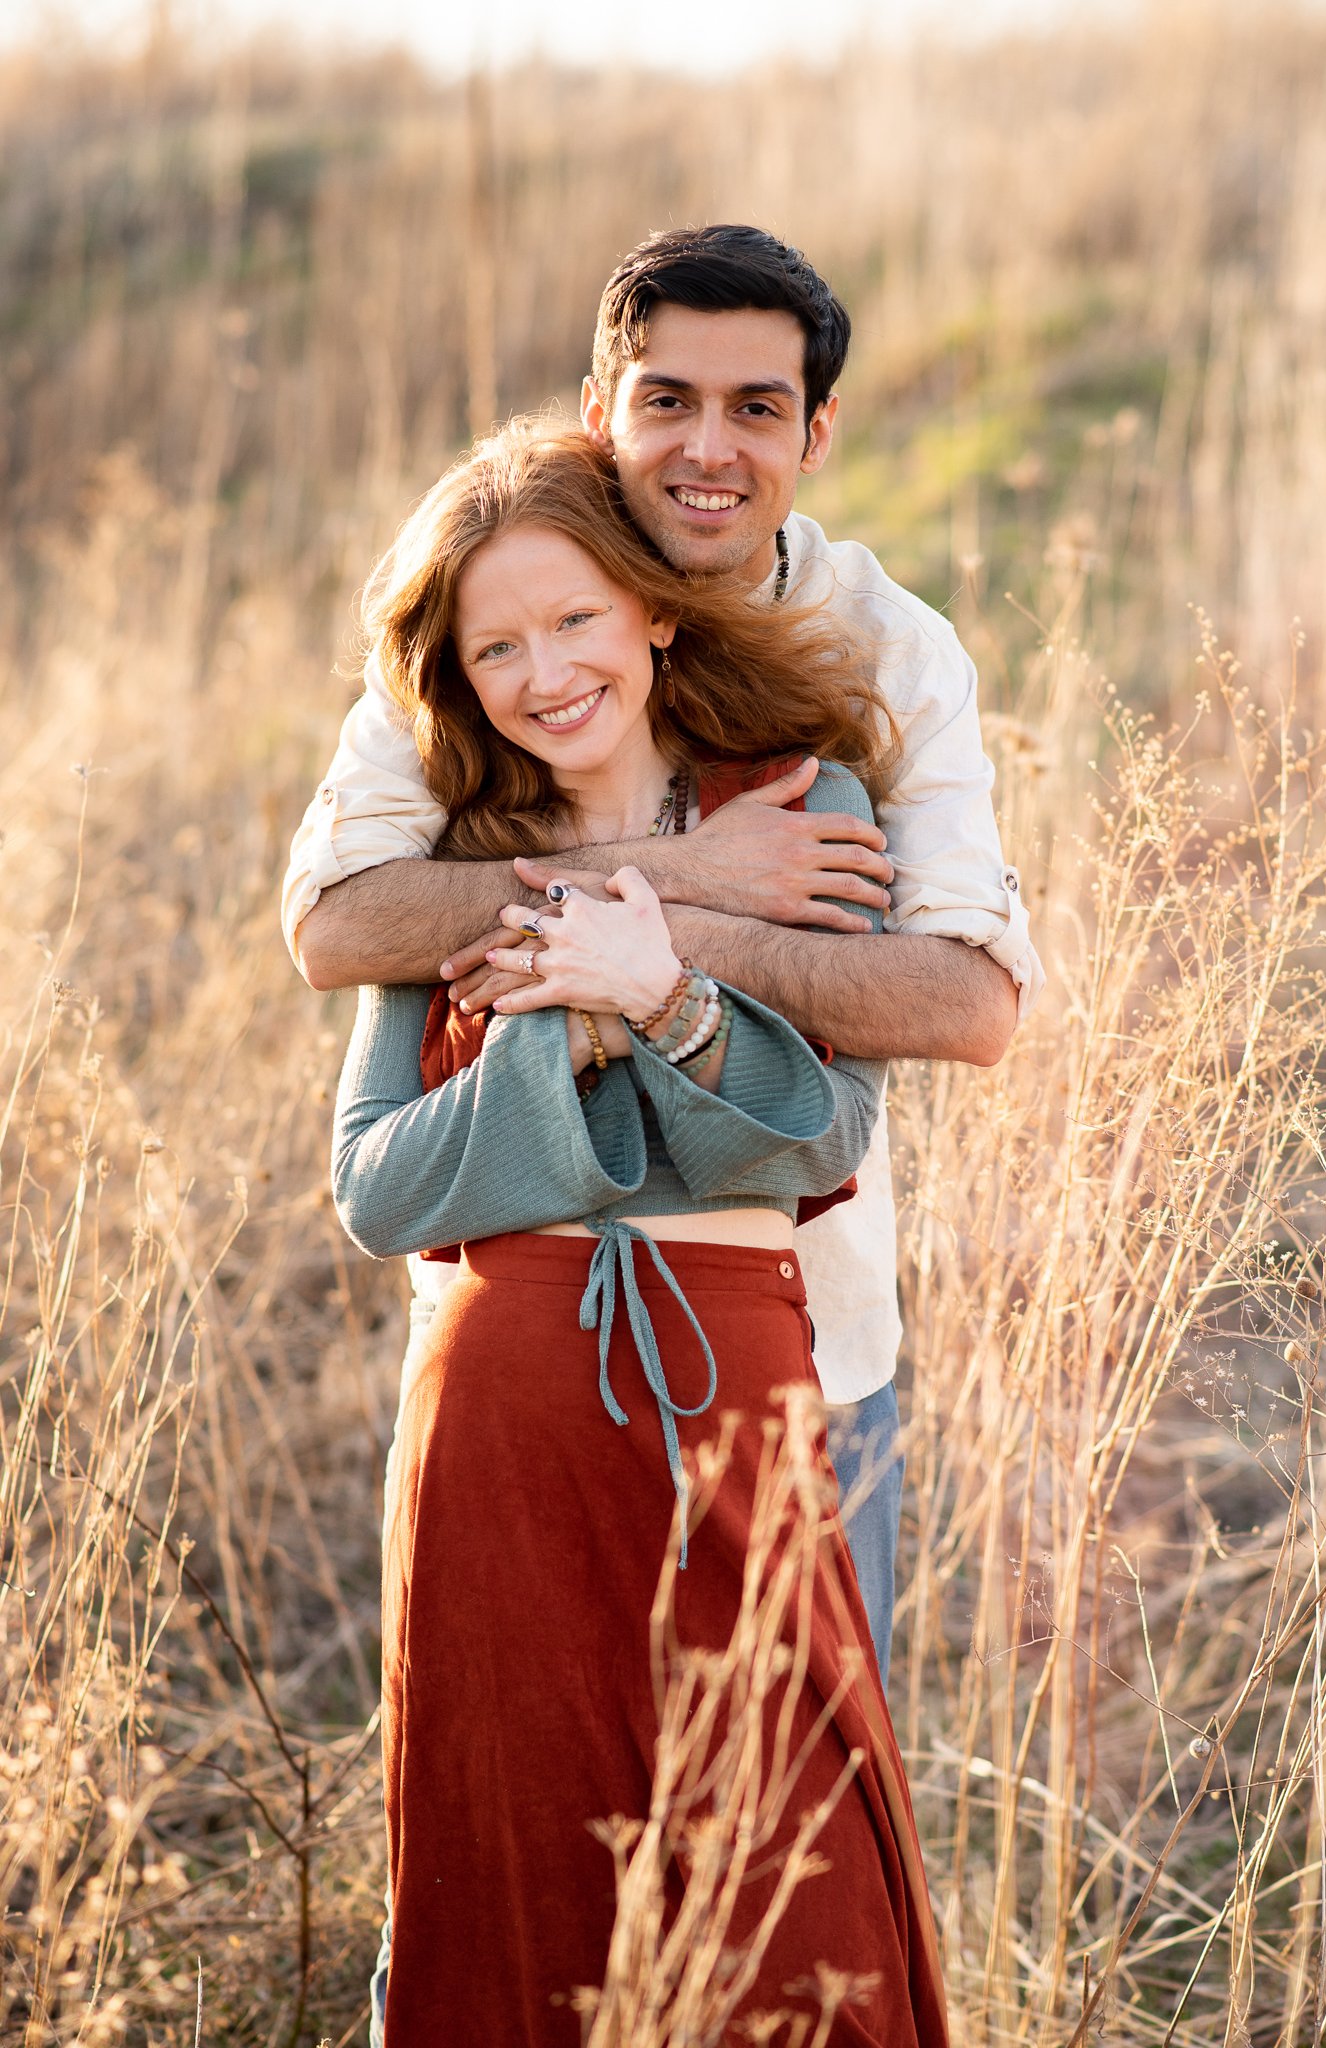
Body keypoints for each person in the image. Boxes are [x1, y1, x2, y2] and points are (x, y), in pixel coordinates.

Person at [284, 225, 1043, 1693]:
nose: (708, 448)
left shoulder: (888, 651)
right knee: (523, 1804)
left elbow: (971, 1003)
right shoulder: (491, 618)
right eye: (666, 400)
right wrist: (680, 872)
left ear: (817, 431)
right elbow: (336, 925)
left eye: (756, 406)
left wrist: (666, 943)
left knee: (783, 1829)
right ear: (600, 411)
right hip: (506, 1318)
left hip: (802, 1338)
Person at [330, 416, 950, 2044]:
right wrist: (572, 1021)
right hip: (499, 1424)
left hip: (728, 1405)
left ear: (653, 611)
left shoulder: (809, 810)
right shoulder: (457, 873)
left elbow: (818, 1138)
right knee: (522, 1875)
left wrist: (656, 991)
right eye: (497, 647)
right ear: (459, 680)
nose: (545, 673)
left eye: (576, 621)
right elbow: (383, 1188)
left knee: (796, 1893)